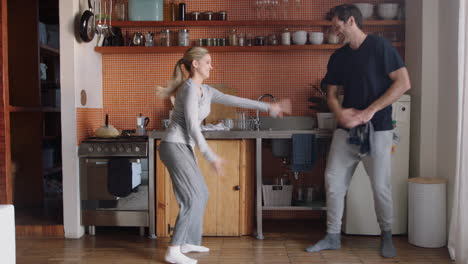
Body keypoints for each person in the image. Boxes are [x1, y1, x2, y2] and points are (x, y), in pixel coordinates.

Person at [156, 47, 291, 264]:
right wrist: (212, 157)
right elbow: (192, 127)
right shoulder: (189, 89)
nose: (212, 66)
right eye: (208, 62)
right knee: (192, 198)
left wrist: (269, 106)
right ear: (195, 64)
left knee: (201, 194)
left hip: (183, 146)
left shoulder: (206, 90)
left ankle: (187, 241)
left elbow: (236, 101)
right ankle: (173, 250)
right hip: (174, 146)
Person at [305, 4, 411, 258]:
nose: (334, 31)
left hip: (378, 129)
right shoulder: (339, 57)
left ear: (350, 21)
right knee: (333, 182)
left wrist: (369, 112)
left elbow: (403, 83)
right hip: (346, 131)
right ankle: (332, 236)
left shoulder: (380, 47)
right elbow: (331, 93)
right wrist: (340, 113)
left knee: (380, 186)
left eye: (336, 26)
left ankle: (387, 236)